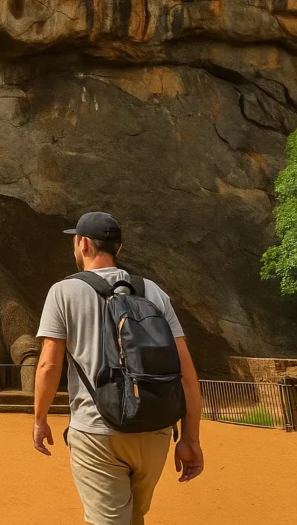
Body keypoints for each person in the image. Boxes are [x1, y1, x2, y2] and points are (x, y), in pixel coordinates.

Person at [33, 212, 204, 525]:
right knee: (134, 517)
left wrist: (40, 419)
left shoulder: (64, 292)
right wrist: (191, 439)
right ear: (119, 249)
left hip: (96, 430)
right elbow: (186, 373)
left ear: (83, 244)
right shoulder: (154, 292)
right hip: (154, 428)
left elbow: (48, 364)